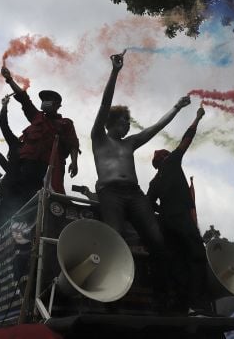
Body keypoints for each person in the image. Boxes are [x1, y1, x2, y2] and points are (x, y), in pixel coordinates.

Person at [91, 50, 191, 308]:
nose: (128, 125)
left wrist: (177, 108)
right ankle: (109, 294)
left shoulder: (130, 143)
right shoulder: (99, 139)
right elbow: (104, 104)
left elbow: (155, 127)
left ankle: (165, 294)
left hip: (134, 193)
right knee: (115, 236)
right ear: (112, 122)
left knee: (156, 240)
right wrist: (115, 71)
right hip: (110, 192)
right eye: (124, 121)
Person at [147, 105, 209, 315]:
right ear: (165, 158)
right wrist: (197, 118)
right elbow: (187, 139)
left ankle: (178, 306)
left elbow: (147, 205)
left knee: (176, 263)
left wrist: (162, 211)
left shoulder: (154, 182)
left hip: (165, 224)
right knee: (196, 256)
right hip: (182, 219)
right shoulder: (172, 162)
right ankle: (198, 304)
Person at [0, 67, 79, 194]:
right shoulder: (36, 116)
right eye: (44, 100)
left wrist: (74, 162)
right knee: (18, 196)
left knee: (46, 196)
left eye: (49, 100)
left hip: (50, 167)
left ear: (58, 105)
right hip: (27, 165)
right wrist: (9, 80)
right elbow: (24, 98)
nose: (45, 102)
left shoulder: (66, 123)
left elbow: (73, 144)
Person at [0, 95, 29, 224]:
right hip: (12, 190)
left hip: (26, 190)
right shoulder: (16, 144)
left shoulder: (38, 149)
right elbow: (4, 126)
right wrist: (4, 106)